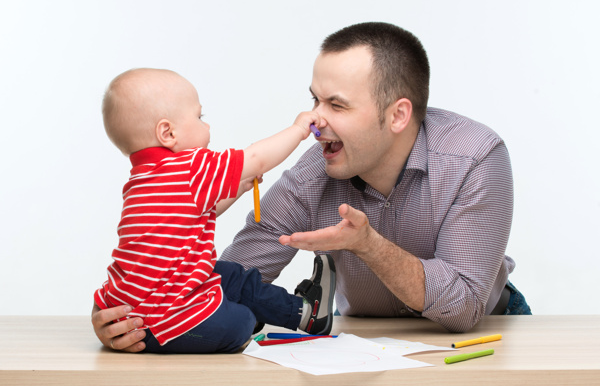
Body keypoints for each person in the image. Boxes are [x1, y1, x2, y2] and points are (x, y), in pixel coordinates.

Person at [93, 22, 531, 352]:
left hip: (484, 335)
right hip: (370, 340)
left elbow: (464, 306)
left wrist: (369, 245)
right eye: (314, 100)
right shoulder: (311, 173)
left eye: (336, 104)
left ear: (398, 115)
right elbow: (223, 281)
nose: (316, 120)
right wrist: (132, 314)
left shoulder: (476, 156)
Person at [93, 68, 336, 353]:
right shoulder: (190, 166)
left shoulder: (141, 181)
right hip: (168, 324)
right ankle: (299, 312)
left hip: (131, 314)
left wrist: (239, 187)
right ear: (168, 132)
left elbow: (195, 215)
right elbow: (256, 158)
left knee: (229, 275)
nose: (206, 127)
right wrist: (298, 130)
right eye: (199, 117)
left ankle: (305, 314)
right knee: (242, 321)